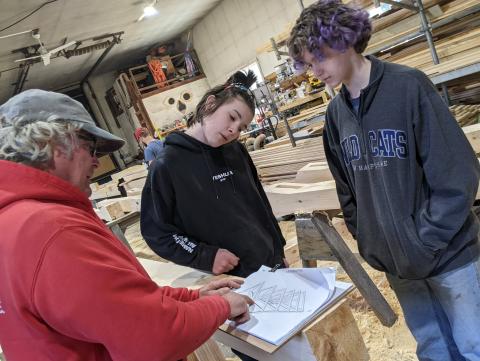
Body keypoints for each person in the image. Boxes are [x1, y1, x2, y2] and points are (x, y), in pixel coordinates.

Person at [288, 1, 480, 360]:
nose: (315, 72)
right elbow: (346, 191)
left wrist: (423, 240)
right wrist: (372, 239)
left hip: (449, 254)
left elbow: (457, 173)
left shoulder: (408, 86)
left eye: (319, 58)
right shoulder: (335, 116)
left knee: (474, 346)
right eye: (308, 64)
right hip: (395, 261)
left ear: (343, 40)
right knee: (434, 348)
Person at [0, 89, 253, 361]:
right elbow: (154, 336)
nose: (97, 161)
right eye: (91, 147)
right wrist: (220, 306)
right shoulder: (52, 229)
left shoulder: (13, 220)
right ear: (51, 142)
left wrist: (190, 297)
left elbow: (111, 303)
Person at [140, 71, 287, 361]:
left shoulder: (236, 152)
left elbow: (260, 204)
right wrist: (206, 255)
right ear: (209, 104)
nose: (234, 130)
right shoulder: (167, 166)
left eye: (242, 126)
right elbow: (158, 232)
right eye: (231, 117)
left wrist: (278, 247)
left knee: (293, 346)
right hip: (235, 286)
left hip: (272, 271)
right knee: (261, 354)